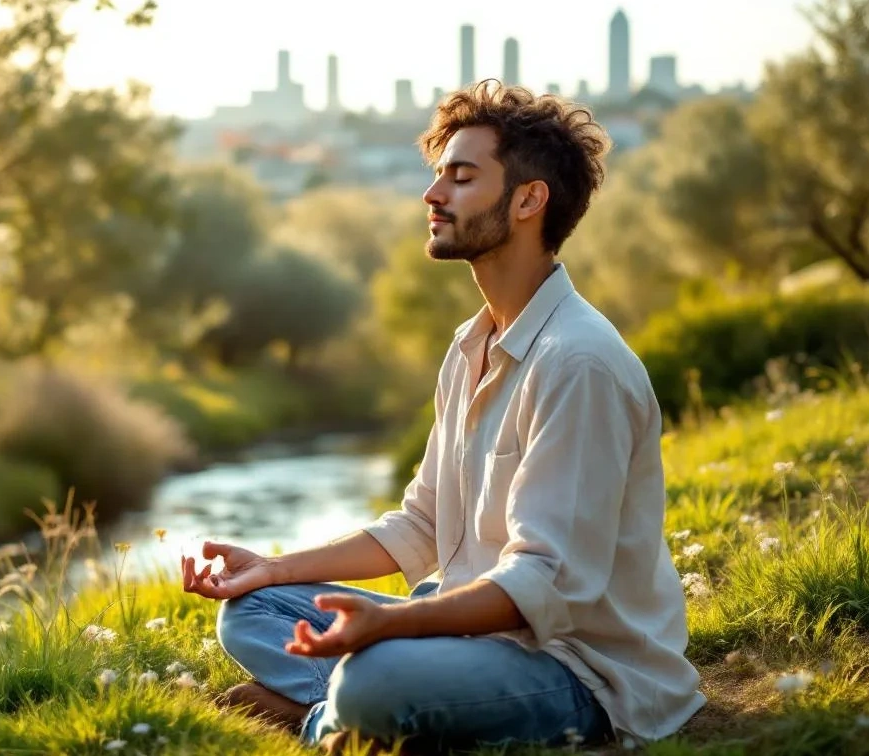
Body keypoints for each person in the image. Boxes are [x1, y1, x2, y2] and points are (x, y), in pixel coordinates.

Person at [179, 79, 705, 754]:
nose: (432, 195)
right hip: (467, 638)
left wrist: (394, 628)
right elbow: (421, 525)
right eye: (438, 177)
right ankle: (343, 705)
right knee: (249, 612)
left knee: (377, 676)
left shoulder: (578, 364)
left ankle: (331, 710)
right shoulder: (470, 345)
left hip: (577, 672)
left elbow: (539, 585)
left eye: (461, 178)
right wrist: (274, 569)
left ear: (527, 200)